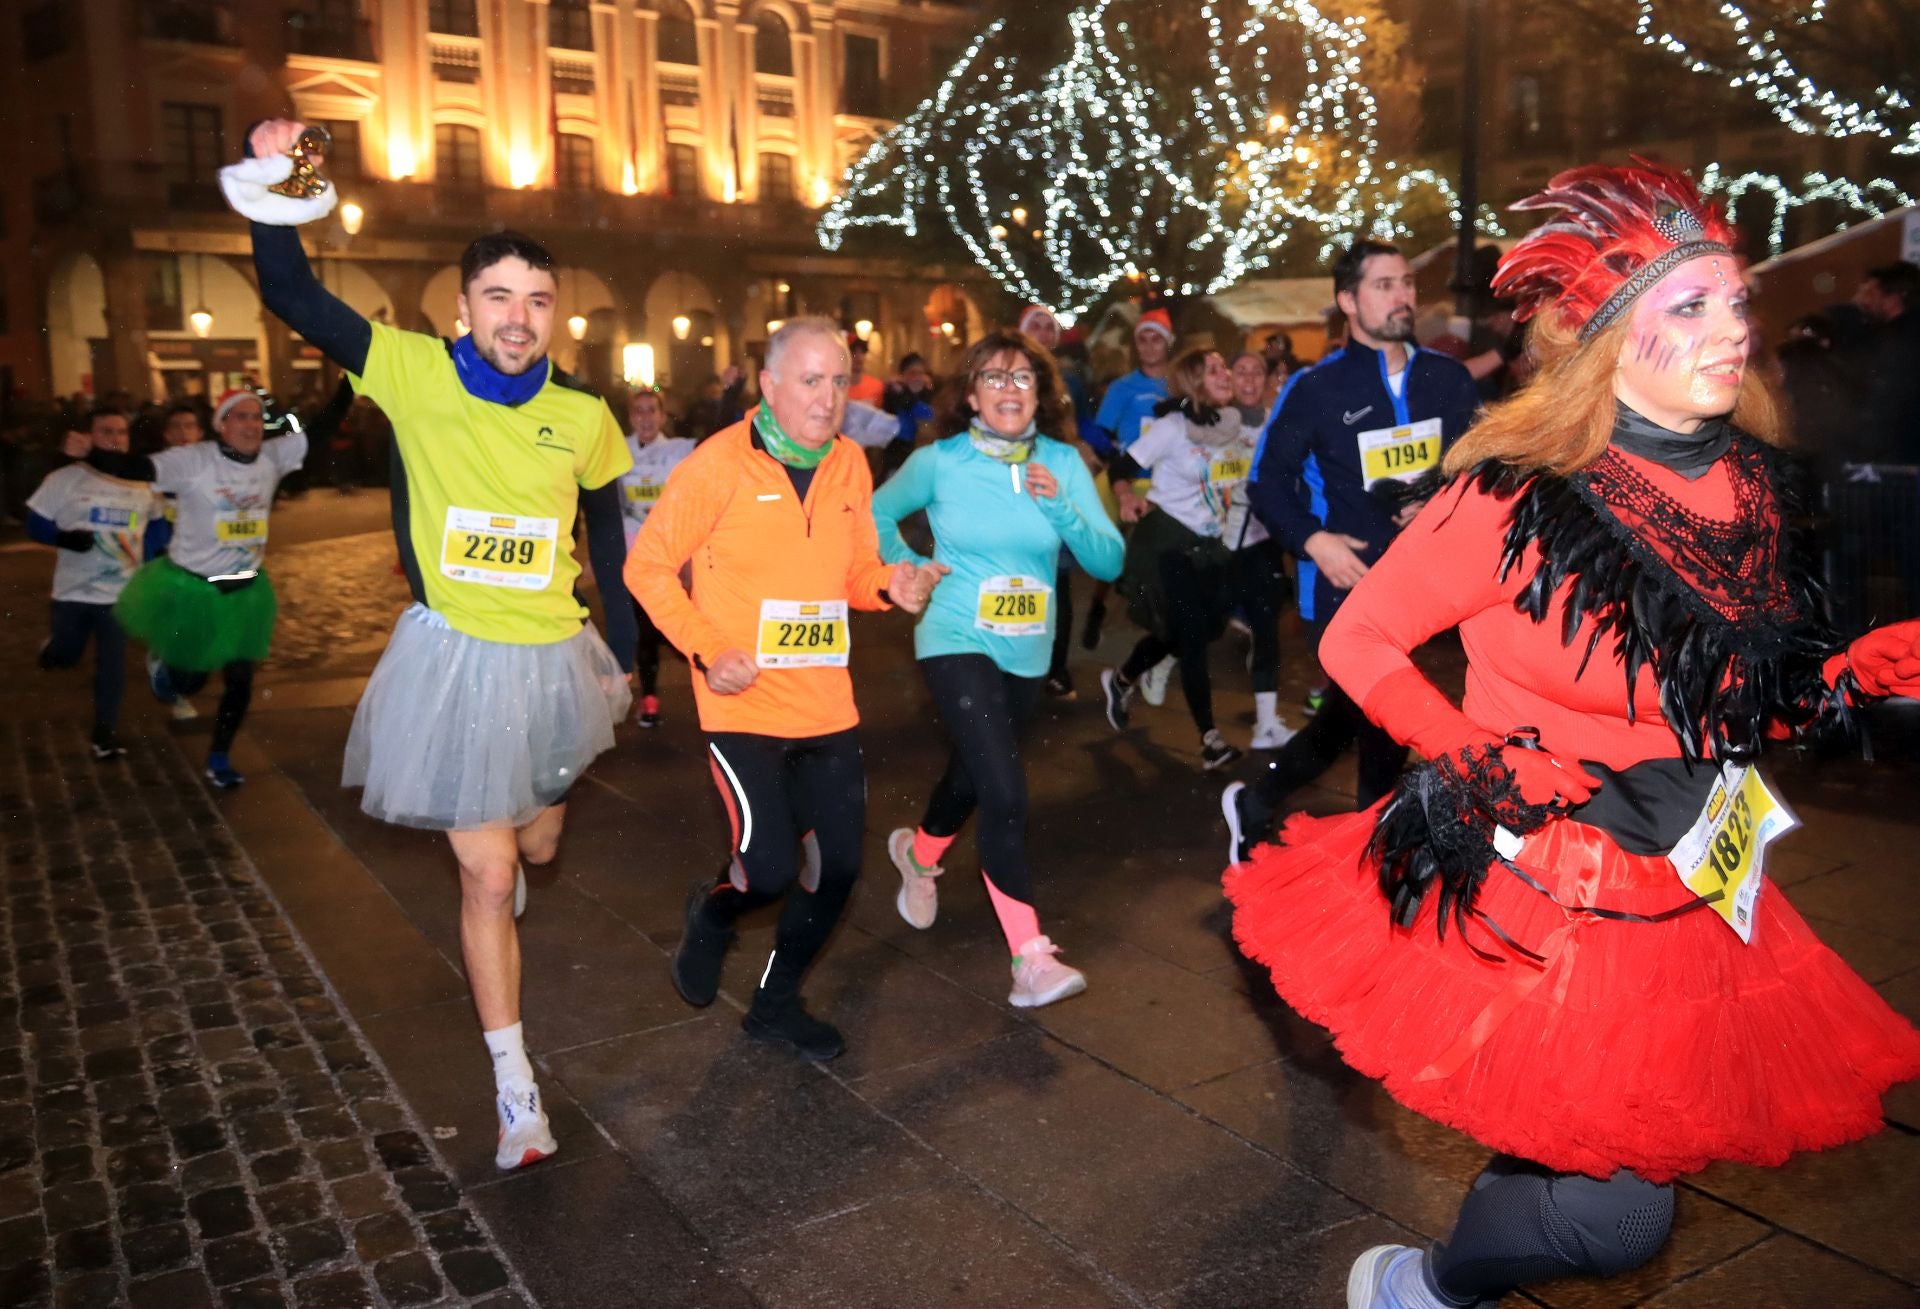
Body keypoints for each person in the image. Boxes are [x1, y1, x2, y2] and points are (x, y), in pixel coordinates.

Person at [1221, 161, 1920, 1309]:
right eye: (1689, 306)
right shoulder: (1517, 492)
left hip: (1690, 882)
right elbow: (1359, 644)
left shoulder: (1750, 489)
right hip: (1544, 884)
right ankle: (1420, 1285)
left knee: (1584, 1154)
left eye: (1737, 300)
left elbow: (1733, 693)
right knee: (1614, 1211)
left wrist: (1843, 673)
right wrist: (1467, 751)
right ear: (1605, 338)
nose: (1732, 329)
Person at [229, 119, 635, 1171]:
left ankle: (525, 851)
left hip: (555, 663)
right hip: (452, 663)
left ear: (557, 314)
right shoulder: (408, 371)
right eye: (498, 296)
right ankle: (516, 1093)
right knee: (488, 879)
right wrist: (277, 168)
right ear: (462, 307)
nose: (518, 316)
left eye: (538, 299)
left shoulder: (586, 416)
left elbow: (612, 540)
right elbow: (292, 292)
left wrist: (630, 661)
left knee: (536, 845)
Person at [627, 318, 944, 1062]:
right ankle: (712, 915)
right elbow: (646, 566)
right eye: (810, 380)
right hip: (743, 706)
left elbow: (854, 574)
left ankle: (775, 1003)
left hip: (826, 706)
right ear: (769, 385)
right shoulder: (717, 464)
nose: (827, 398)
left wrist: (891, 584)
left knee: (838, 869)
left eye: (839, 381)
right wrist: (708, 648)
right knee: (766, 867)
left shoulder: (849, 465)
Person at [872, 329, 1123, 1006]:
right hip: (954, 631)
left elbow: (1108, 561)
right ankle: (1029, 956)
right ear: (972, 394)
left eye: (1023, 379)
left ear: (1041, 395)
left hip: (1027, 649)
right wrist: (908, 567)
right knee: (1006, 793)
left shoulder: (1065, 463)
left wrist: (1062, 506)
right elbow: (877, 509)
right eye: (994, 377)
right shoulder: (941, 461)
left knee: (974, 775)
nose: (1008, 390)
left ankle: (919, 855)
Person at [1223, 240, 1480, 858]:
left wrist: (1441, 500)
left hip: (1423, 588)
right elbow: (1267, 481)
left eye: (1406, 283)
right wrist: (1314, 541)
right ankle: (1381, 863)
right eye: (1384, 285)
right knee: (1383, 722)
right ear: (1348, 301)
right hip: (1343, 587)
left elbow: (1478, 469)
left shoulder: (1446, 380)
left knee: (1353, 720)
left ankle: (1255, 803)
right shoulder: (1317, 388)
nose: (1402, 297)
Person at [83, 389, 305, 786]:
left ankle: (219, 757)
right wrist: (86, 453)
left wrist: (351, 380)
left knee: (240, 681)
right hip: (194, 589)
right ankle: (167, 671)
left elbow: (317, 434)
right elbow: (135, 468)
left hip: (246, 590)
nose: (250, 424)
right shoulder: (194, 459)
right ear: (221, 425)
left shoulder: (272, 457)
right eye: (239, 417)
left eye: (256, 417)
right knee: (192, 680)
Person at [1099, 348, 1257, 769]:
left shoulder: (1232, 426)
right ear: (1192, 380)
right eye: (1214, 369)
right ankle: (1210, 738)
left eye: (1224, 366)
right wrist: (1127, 494)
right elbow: (1121, 464)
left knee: (1190, 634)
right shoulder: (1171, 428)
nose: (1224, 373)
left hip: (1212, 547)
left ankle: (1122, 680)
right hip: (1168, 543)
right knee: (1190, 641)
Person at [28, 408, 167, 759]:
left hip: (120, 593)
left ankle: (104, 734)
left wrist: (152, 566)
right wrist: (66, 538)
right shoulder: (67, 478)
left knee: (112, 664)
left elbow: (155, 529)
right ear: (89, 436)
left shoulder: (143, 483)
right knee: (67, 655)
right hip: (73, 591)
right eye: (106, 431)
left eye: (121, 432)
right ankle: (54, 649)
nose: (115, 439)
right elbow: (35, 523)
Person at [616, 388, 695, 727]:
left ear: (663, 417)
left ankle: (719, 685)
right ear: (631, 417)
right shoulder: (618, 452)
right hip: (635, 555)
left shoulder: (678, 453)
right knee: (645, 629)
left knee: (677, 627)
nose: (645, 418)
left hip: (671, 552)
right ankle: (649, 698)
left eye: (652, 411)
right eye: (639, 411)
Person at [846, 335, 885, 408]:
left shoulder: (877, 386)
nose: (859, 357)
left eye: (862, 352)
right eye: (853, 352)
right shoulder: (836, 387)